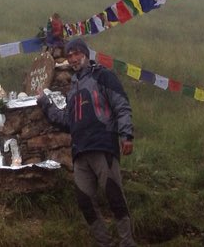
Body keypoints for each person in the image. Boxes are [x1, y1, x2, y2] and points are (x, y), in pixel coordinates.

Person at [37, 37, 137, 247]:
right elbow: (67, 120)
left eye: (77, 54)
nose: (73, 58)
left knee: (114, 196)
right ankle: (105, 243)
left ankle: (127, 243)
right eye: (70, 55)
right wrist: (45, 103)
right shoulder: (73, 87)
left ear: (86, 54)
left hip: (103, 145)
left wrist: (126, 135)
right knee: (84, 202)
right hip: (80, 152)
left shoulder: (104, 75)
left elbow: (121, 105)